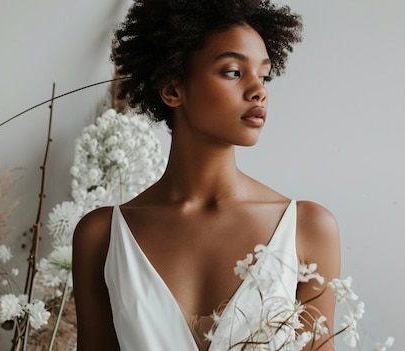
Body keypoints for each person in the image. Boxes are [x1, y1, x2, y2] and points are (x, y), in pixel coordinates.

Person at [73, 1, 340, 350]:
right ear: (172, 89)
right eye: (233, 71)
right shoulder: (101, 237)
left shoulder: (307, 228)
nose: (259, 90)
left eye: (264, 75)